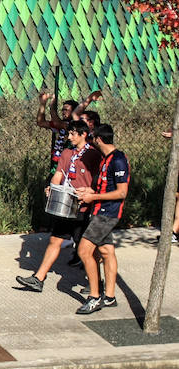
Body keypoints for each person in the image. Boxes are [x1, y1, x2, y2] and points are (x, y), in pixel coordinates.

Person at [16, 120, 102, 292]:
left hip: (83, 208)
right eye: (68, 133)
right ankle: (39, 278)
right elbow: (58, 175)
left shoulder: (93, 154)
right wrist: (53, 188)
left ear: (83, 134)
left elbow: (99, 179)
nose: (69, 137)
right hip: (65, 205)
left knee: (87, 248)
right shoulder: (67, 153)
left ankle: (97, 283)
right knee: (55, 240)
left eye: (73, 134)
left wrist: (91, 193)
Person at [75, 125, 129, 314]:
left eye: (92, 138)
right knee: (106, 251)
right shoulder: (105, 159)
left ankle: (94, 296)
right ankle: (110, 297)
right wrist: (89, 191)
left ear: (98, 139)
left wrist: (94, 197)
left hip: (107, 213)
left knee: (84, 251)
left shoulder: (118, 160)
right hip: (99, 211)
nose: (91, 141)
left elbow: (121, 192)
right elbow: (105, 187)